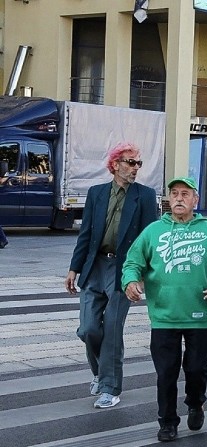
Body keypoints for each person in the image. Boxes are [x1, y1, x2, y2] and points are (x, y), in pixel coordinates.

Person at [122, 177, 207, 441]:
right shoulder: (153, 231)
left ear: (195, 200)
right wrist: (130, 281)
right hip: (163, 316)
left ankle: (196, 402)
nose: (179, 198)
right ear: (168, 200)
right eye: (174, 194)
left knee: (195, 368)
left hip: (199, 314)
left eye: (185, 194)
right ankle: (167, 422)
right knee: (166, 372)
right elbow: (132, 263)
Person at [65, 142, 158, 409]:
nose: (135, 168)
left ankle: (110, 387)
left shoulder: (145, 195)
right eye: (130, 162)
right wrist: (74, 268)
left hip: (124, 269)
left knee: (113, 330)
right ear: (115, 165)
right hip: (94, 267)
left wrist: (140, 275)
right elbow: (86, 235)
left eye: (138, 163)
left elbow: (148, 238)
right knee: (88, 329)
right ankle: (99, 373)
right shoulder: (96, 193)